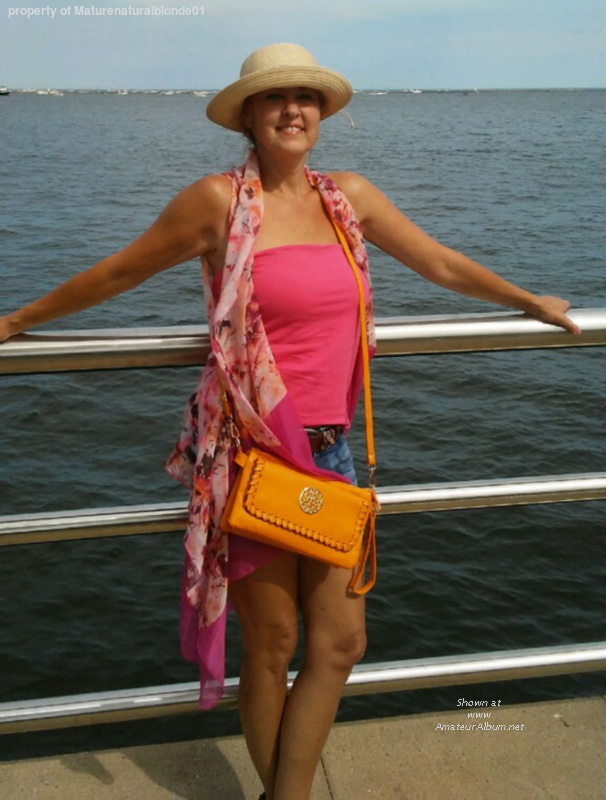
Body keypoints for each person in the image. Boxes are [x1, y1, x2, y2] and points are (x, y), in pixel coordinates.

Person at [0, 42, 580, 800]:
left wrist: (529, 301)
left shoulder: (348, 200)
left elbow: (438, 262)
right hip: (255, 456)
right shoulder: (217, 203)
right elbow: (118, 272)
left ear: (321, 113)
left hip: (333, 456)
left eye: (305, 97)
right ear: (248, 116)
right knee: (272, 647)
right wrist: (15, 320)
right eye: (274, 98)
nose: (292, 110)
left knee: (339, 644)